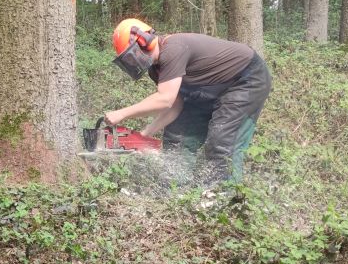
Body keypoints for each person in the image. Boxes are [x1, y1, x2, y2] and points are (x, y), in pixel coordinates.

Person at [105, 18, 272, 185]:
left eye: (131, 56)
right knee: (177, 136)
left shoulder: (173, 49)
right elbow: (175, 104)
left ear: (143, 41)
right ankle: (175, 186)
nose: (133, 62)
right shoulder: (155, 69)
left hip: (246, 79)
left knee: (222, 140)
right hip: (210, 87)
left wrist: (122, 114)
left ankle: (224, 193)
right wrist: (144, 135)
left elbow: (165, 99)